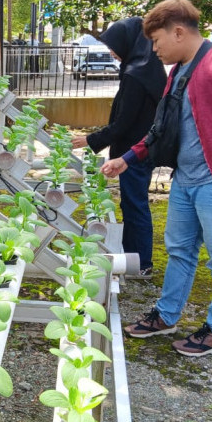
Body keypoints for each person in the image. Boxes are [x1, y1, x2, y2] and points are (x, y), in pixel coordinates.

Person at [101, 0, 212, 357]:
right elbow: (160, 129)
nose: (155, 49)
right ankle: (167, 315)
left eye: (157, 41)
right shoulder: (178, 72)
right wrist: (128, 159)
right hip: (186, 178)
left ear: (178, 31)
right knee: (179, 250)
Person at [71, 17, 167, 278]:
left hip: (133, 153)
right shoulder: (144, 67)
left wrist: (91, 140)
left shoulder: (136, 75)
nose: (111, 52)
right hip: (138, 149)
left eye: (113, 45)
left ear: (127, 42)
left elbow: (124, 122)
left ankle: (141, 263)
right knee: (133, 203)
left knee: (135, 205)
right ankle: (133, 257)